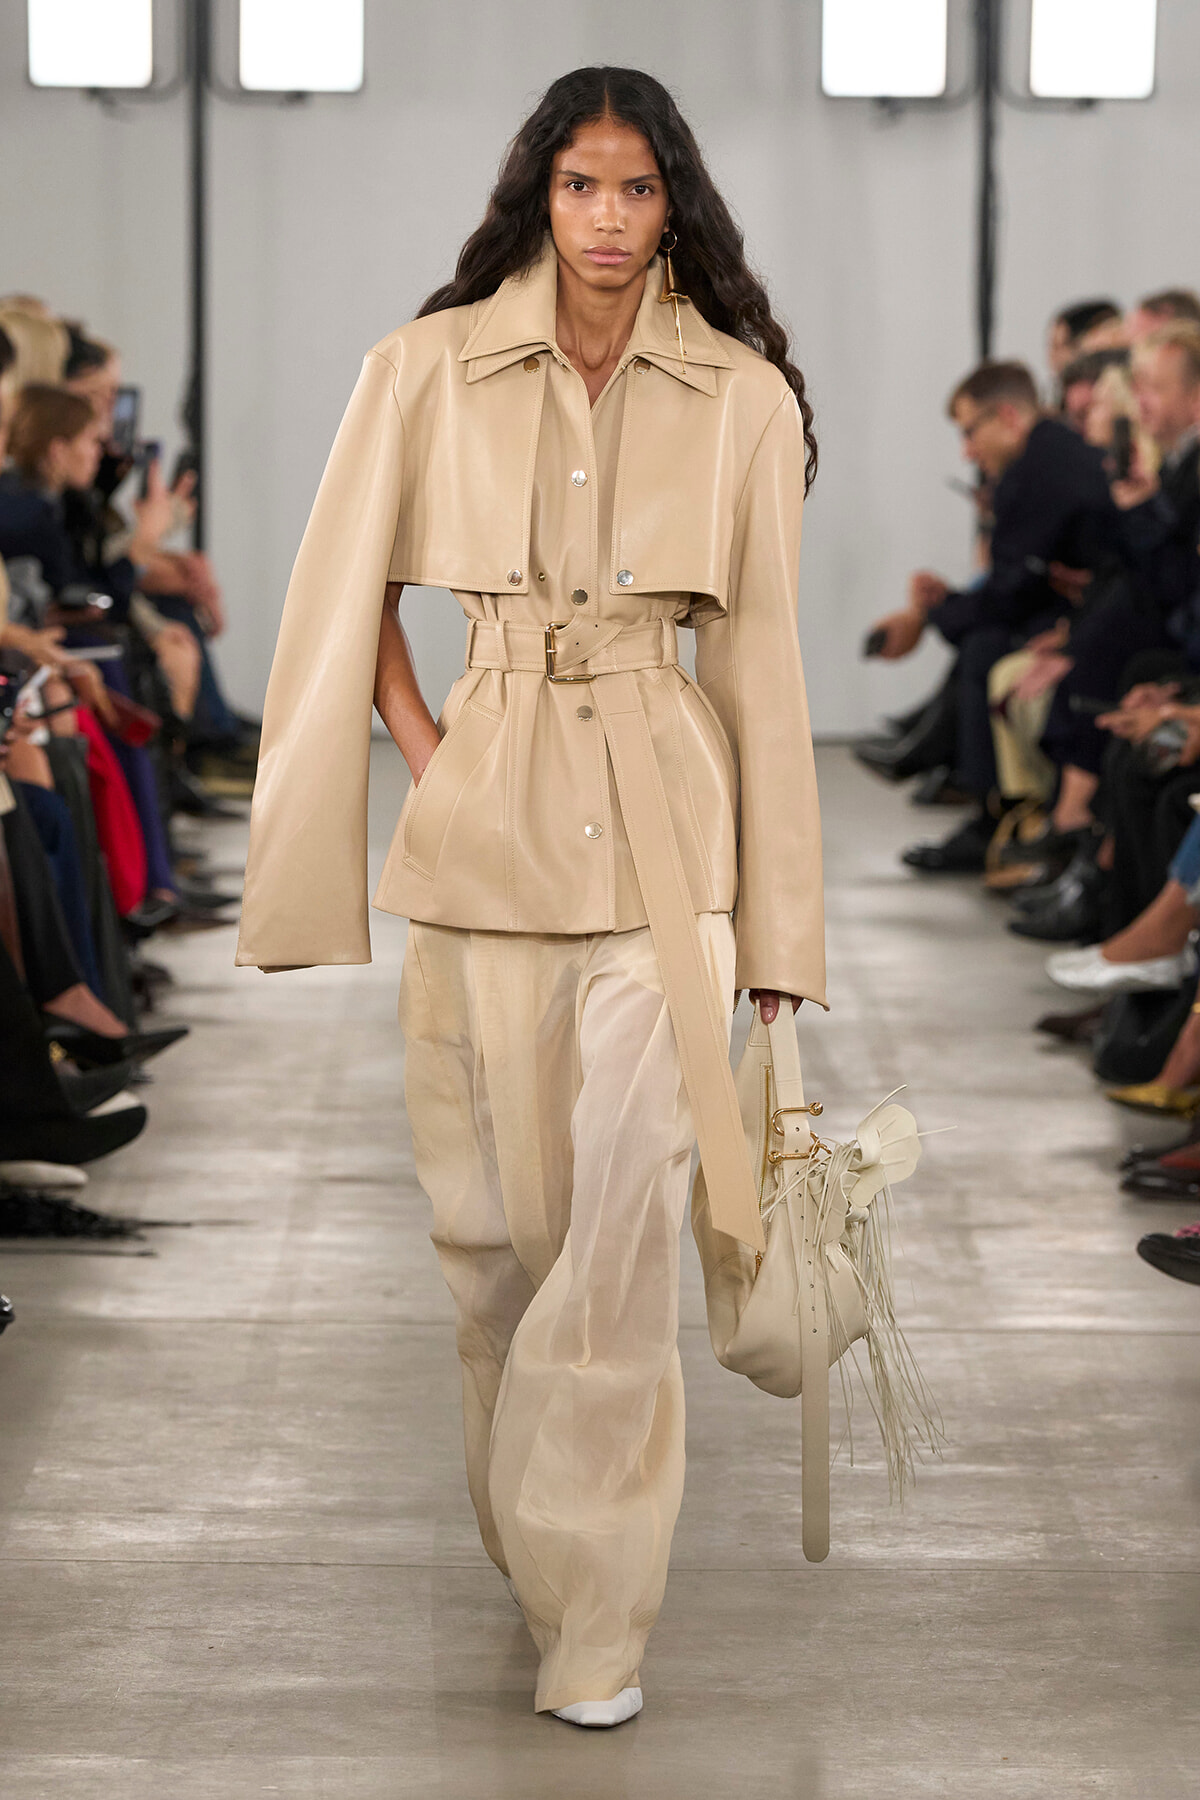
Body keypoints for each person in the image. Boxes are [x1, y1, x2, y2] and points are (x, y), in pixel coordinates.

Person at [235, 65, 825, 1726]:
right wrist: (433, 751)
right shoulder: (423, 368)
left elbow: (765, 670)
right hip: (485, 839)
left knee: (621, 1241)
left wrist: (780, 939)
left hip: (667, 847)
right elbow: (342, 600)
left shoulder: (742, 398)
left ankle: (598, 1625)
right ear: (537, 196)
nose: (609, 219)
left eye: (638, 189)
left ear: (674, 202)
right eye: (581, 186)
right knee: (493, 1245)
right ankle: (538, 1544)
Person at [866, 361, 1115, 871]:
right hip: (1087, 612)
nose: (967, 450)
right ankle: (957, 777)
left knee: (984, 647)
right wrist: (942, 609)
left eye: (969, 431)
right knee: (984, 642)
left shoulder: (1036, 472)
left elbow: (1008, 594)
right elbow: (1020, 582)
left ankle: (981, 808)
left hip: (1103, 623)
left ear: (1007, 416)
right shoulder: (1050, 455)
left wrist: (936, 612)